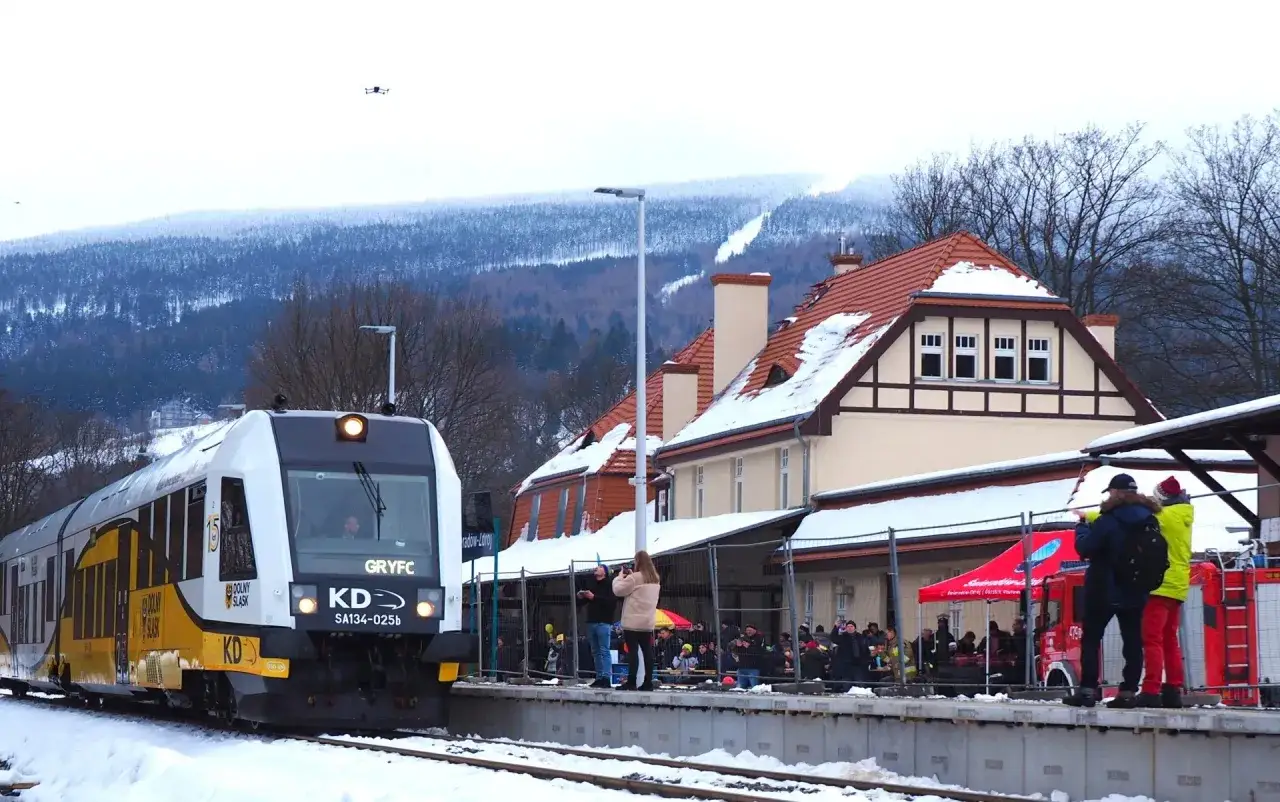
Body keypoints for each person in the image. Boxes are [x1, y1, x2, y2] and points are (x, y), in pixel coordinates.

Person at [1065, 473, 1160, 708]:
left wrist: (1081, 528)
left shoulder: (1109, 519)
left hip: (1103, 587)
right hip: (1136, 588)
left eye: (1110, 492)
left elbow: (1086, 547)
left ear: (1116, 492)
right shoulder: (1150, 519)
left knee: (1091, 639)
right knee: (1132, 641)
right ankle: (1128, 692)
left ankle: (1087, 691)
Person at [1143, 476, 1193, 708]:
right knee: (1170, 640)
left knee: (1151, 639)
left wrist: (1089, 516)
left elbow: (1133, 518)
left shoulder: (1165, 516)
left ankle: (1151, 689)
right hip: (1178, 586)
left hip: (1159, 585)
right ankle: (1173, 689)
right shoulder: (1184, 515)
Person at [612, 551, 662, 691]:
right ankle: (648, 682)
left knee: (633, 652)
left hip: (632, 622)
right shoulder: (656, 579)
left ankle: (632, 682)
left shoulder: (635, 578)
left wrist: (620, 577)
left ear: (638, 562)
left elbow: (618, 590)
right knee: (647, 651)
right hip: (647, 622)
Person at [576, 563, 620, 688]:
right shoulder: (592, 584)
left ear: (605, 572)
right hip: (592, 621)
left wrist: (594, 597)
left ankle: (606, 677)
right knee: (595, 651)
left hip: (603, 621)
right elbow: (587, 601)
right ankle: (599, 676)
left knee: (604, 650)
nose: (597, 568)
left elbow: (611, 603)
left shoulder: (609, 585)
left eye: (600, 567)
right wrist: (581, 597)